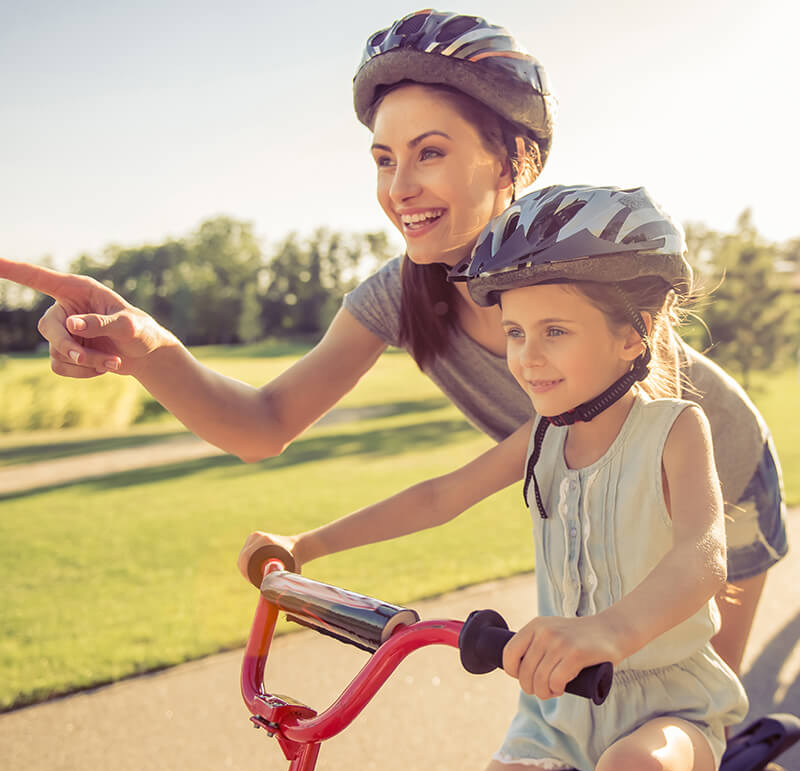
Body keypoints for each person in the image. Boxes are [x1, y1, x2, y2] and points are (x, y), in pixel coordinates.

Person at [0, 10, 786, 676]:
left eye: (431, 152)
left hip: (712, 481)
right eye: (384, 158)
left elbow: (598, 471)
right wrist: (146, 347)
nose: (399, 186)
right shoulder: (400, 293)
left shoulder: (584, 272)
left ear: (514, 158)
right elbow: (262, 423)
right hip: (595, 503)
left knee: (685, 716)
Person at [239, 185, 749, 771]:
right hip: (557, 715)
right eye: (514, 332)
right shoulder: (540, 437)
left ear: (633, 334)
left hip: (672, 708)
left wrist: (609, 631)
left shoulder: (673, 429)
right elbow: (438, 497)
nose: (527, 358)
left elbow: (703, 554)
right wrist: (306, 544)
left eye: (554, 330)